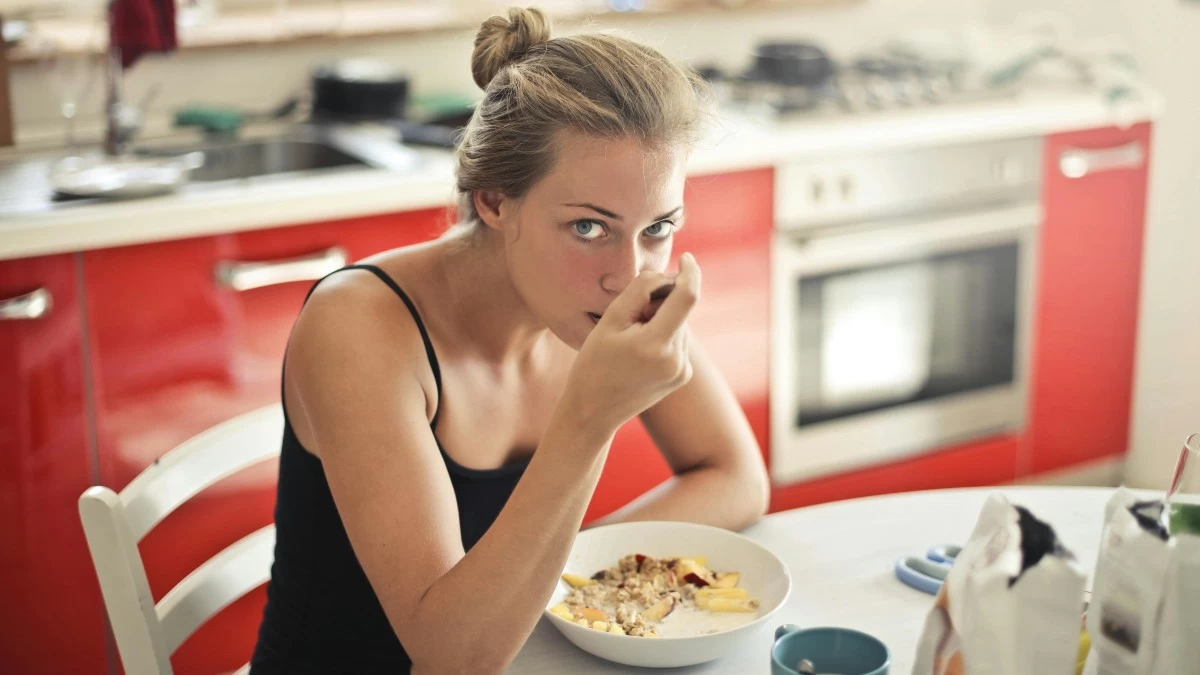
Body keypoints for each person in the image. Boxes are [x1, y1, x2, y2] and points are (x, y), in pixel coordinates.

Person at [250, 7, 769, 673]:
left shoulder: (608, 292)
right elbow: (451, 654)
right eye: (588, 227)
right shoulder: (360, 328)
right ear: (495, 200)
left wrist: (549, 580)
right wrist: (591, 416)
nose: (630, 274)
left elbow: (735, 478)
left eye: (659, 227)